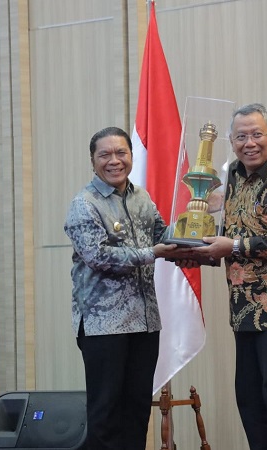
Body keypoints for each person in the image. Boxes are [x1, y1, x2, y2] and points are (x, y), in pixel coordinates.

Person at [186, 103, 267, 450]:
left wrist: (233, 245)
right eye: (241, 136)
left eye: (257, 134)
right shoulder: (233, 177)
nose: (250, 142)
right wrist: (195, 245)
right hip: (245, 308)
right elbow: (224, 231)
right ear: (231, 141)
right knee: (249, 397)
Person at [64, 126, 181, 449]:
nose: (114, 161)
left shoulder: (140, 196)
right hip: (104, 327)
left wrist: (199, 220)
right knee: (106, 414)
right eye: (105, 155)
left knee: (137, 411)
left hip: (144, 323)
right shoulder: (84, 204)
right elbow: (98, 256)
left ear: (131, 156)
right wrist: (151, 254)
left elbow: (162, 233)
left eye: (121, 153)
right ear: (93, 161)